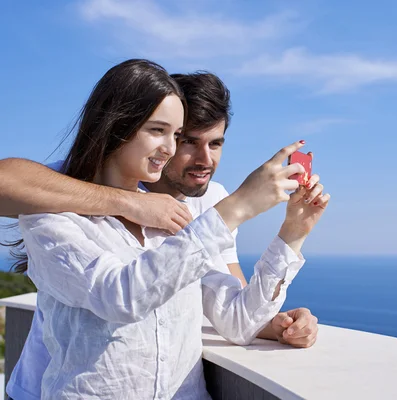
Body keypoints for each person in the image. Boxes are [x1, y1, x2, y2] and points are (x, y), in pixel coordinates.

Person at [3, 59, 329, 399]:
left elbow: (237, 318)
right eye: (163, 132)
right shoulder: (53, 209)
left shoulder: (180, 215)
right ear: (117, 126)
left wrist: (293, 232)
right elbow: (121, 296)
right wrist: (236, 207)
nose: (171, 149)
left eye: (175, 135)